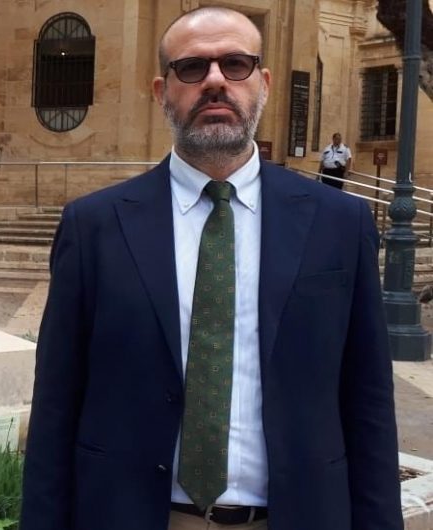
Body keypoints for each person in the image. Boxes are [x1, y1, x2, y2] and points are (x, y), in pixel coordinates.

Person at [21, 7, 401, 530]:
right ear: (161, 91)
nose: (216, 81)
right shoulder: (95, 227)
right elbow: (56, 406)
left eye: (236, 64)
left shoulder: (339, 223)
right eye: (192, 68)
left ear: (263, 84)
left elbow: (369, 404)